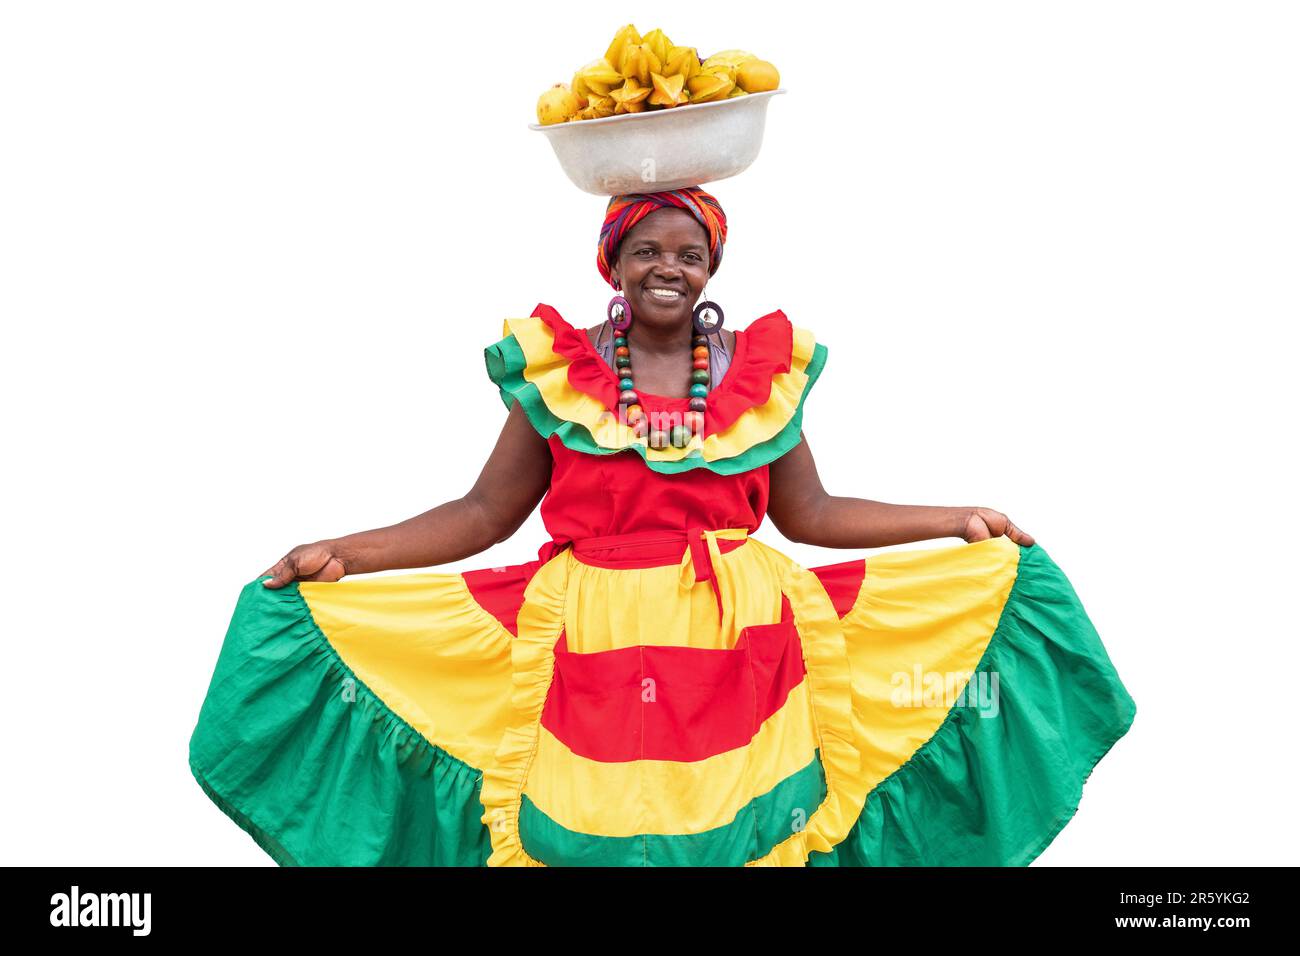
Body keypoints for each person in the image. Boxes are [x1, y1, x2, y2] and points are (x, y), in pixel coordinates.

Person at [189, 186, 1136, 867]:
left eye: (689, 253)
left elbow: (811, 514)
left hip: (743, 645)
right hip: (586, 647)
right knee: (586, 835)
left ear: (711, 266)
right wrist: (344, 554)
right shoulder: (559, 378)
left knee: (746, 837)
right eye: (647, 250)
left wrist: (954, 519)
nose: (669, 268)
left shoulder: (756, 380)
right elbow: (481, 514)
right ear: (613, 265)